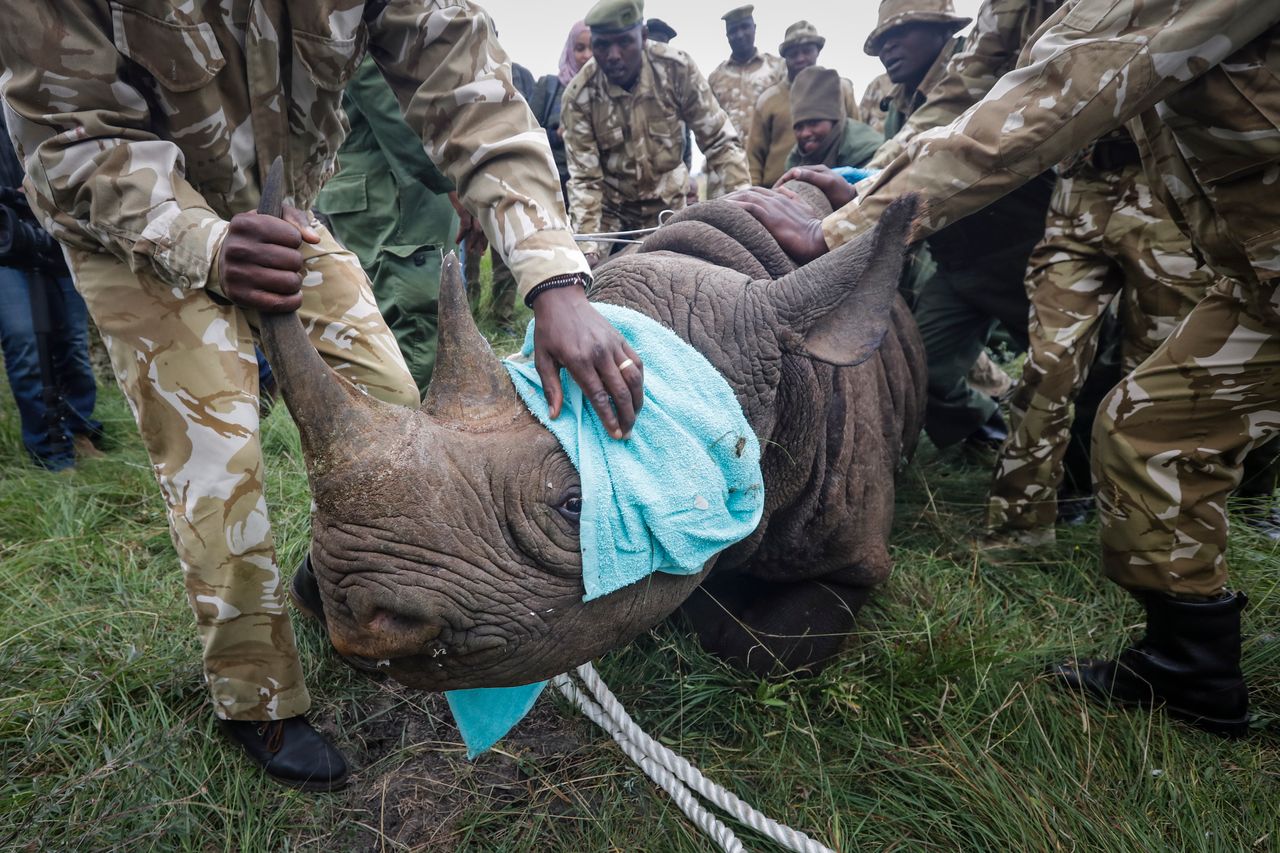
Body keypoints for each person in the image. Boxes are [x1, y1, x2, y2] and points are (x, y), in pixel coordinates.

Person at [0, 0, 645, 791]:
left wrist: (552, 273)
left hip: (283, 212)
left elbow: (464, 77)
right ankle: (257, 697)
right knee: (217, 462)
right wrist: (201, 243)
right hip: (134, 225)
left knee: (390, 398)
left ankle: (332, 578)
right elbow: (66, 133)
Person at [736, 0, 1280, 738]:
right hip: (1226, 252)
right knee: (1142, 417)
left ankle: (1228, 508)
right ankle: (1189, 669)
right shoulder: (1008, 16)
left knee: (1146, 382)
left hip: (1187, 224)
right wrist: (869, 195)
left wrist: (849, 226)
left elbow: (1065, 83)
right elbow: (966, 101)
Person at [982, 128, 1214, 548]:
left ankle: (1146, 542)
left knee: (1160, 384)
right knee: (1046, 366)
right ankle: (1018, 530)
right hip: (1081, 190)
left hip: (1173, 190)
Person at [862, 0, 1062, 459]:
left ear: (942, 32)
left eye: (902, 33)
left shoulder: (989, 76)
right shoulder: (902, 106)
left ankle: (1079, 485)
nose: (889, 49)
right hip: (958, 266)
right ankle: (987, 432)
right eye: (882, 42)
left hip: (1025, 254)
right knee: (919, 367)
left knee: (1069, 370)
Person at [562, 0, 750, 267]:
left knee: (694, 274)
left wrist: (741, 203)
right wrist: (588, 247)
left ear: (643, 37)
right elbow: (584, 181)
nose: (613, 55)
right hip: (612, 214)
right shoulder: (579, 96)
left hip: (670, 206)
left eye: (623, 42)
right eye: (602, 45)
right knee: (583, 275)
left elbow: (720, 141)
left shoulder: (676, 69)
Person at [314, 57, 459, 390]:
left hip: (393, 188)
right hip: (395, 190)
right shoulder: (369, 16)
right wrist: (453, 179)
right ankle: (415, 434)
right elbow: (393, 108)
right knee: (413, 323)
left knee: (397, 322)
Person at [0, 112, 102, 471]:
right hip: (5, 245)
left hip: (57, 232)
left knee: (71, 342)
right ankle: (49, 452)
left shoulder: (28, 85)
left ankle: (79, 431)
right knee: (25, 343)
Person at [747, 21, 859, 187]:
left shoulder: (841, 89)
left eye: (807, 51)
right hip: (778, 191)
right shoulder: (768, 100)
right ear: (785, 58)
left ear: (818, 51)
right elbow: (754, 155)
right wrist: (754, 191)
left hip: (835, 187)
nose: (800, 58)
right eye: (793, 54)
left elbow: (856, 134)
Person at [530, 20, 591, 203]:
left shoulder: (609, 93)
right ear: (570, 50)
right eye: (580, 48)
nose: (586, 55)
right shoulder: (550, 87)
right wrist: (556, 135)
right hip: (551, 190)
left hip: (592, 194)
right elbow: (526, 135)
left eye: (593, 48)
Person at [783, 67, 883, 172]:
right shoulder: (796, 159)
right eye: (799, 127)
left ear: (834, 121)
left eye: (813, 123)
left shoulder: (869, 152)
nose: (805, 133)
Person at [708, 6, 785, 140]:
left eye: (744, 27)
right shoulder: (716, 78)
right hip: (729, 157)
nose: (739, 35)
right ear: (727, 36)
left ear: (754, 28)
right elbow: (708, 124)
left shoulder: (778, 68)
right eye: (733, 31)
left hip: (769, 156)